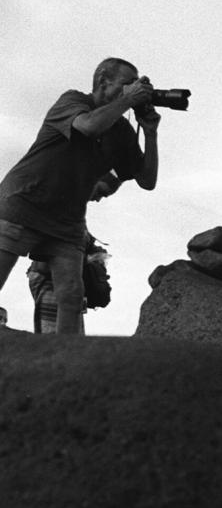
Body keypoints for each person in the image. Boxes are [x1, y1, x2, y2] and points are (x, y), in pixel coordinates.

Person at [0, 58, 159, 334]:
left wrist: (150, 133)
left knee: (72, 296)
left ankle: (67, 363)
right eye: (127, 84)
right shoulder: (73, 101)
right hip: (22, 204)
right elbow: (88, 127)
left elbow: (147, 180)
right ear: (103, 81)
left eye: (136, 85)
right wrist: (127, 101)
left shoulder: (121, 130)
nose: (134, 90)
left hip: (67, 223)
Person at [27, 173, 119, 334]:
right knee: (55, 339)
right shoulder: (60, 207)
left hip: (66, 283)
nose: (98, 199)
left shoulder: (73, 212)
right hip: (53, 282)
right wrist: (84, 260)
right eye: (101, 192)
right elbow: (43, 261)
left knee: (70, 337)